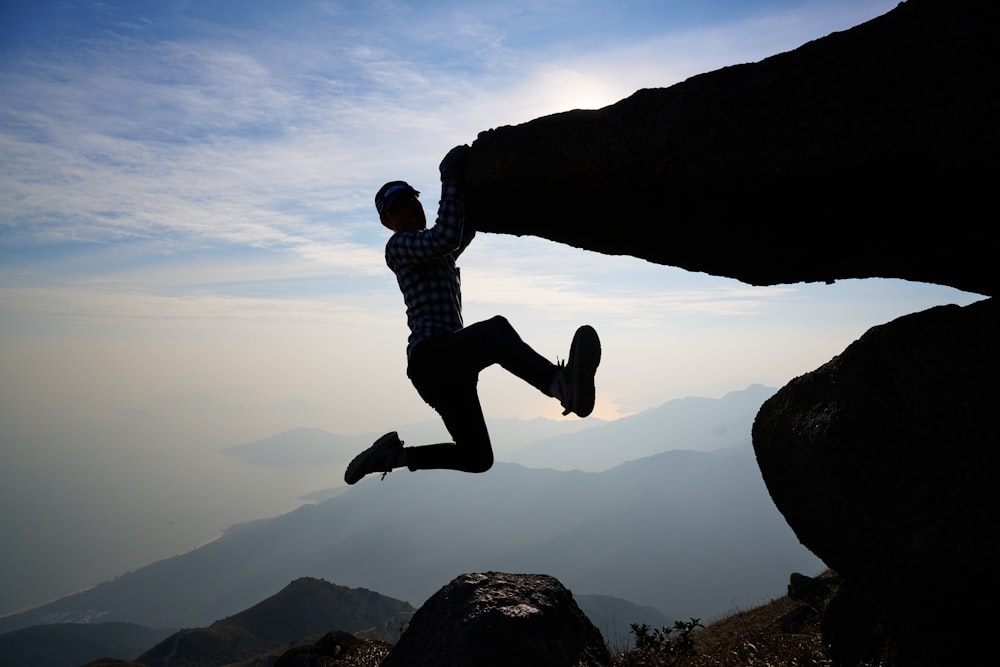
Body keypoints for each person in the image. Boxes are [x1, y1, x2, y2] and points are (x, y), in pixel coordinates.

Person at [344, 144, 601, 484]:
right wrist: (450, 178)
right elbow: (448, 236)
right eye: (397, 211)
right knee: (495, 333)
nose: (407, 212)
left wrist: (474, 191)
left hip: (451, 367)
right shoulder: (399, 247)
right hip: (431, 359)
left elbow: (461, 231)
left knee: (477, 457)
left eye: (410, 202)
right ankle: (559, 385)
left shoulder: (433, 253)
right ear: (386, 223)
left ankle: (394, 456)